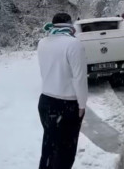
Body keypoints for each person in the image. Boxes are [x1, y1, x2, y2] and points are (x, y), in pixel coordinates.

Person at [37, 13, 88, 169]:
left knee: (49, 148)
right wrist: (82, 104)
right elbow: (79, 78)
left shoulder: (43, 42)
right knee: (65, 152)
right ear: (69, 24)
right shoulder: (73, 44)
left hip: (46, 101)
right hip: (67, 104)